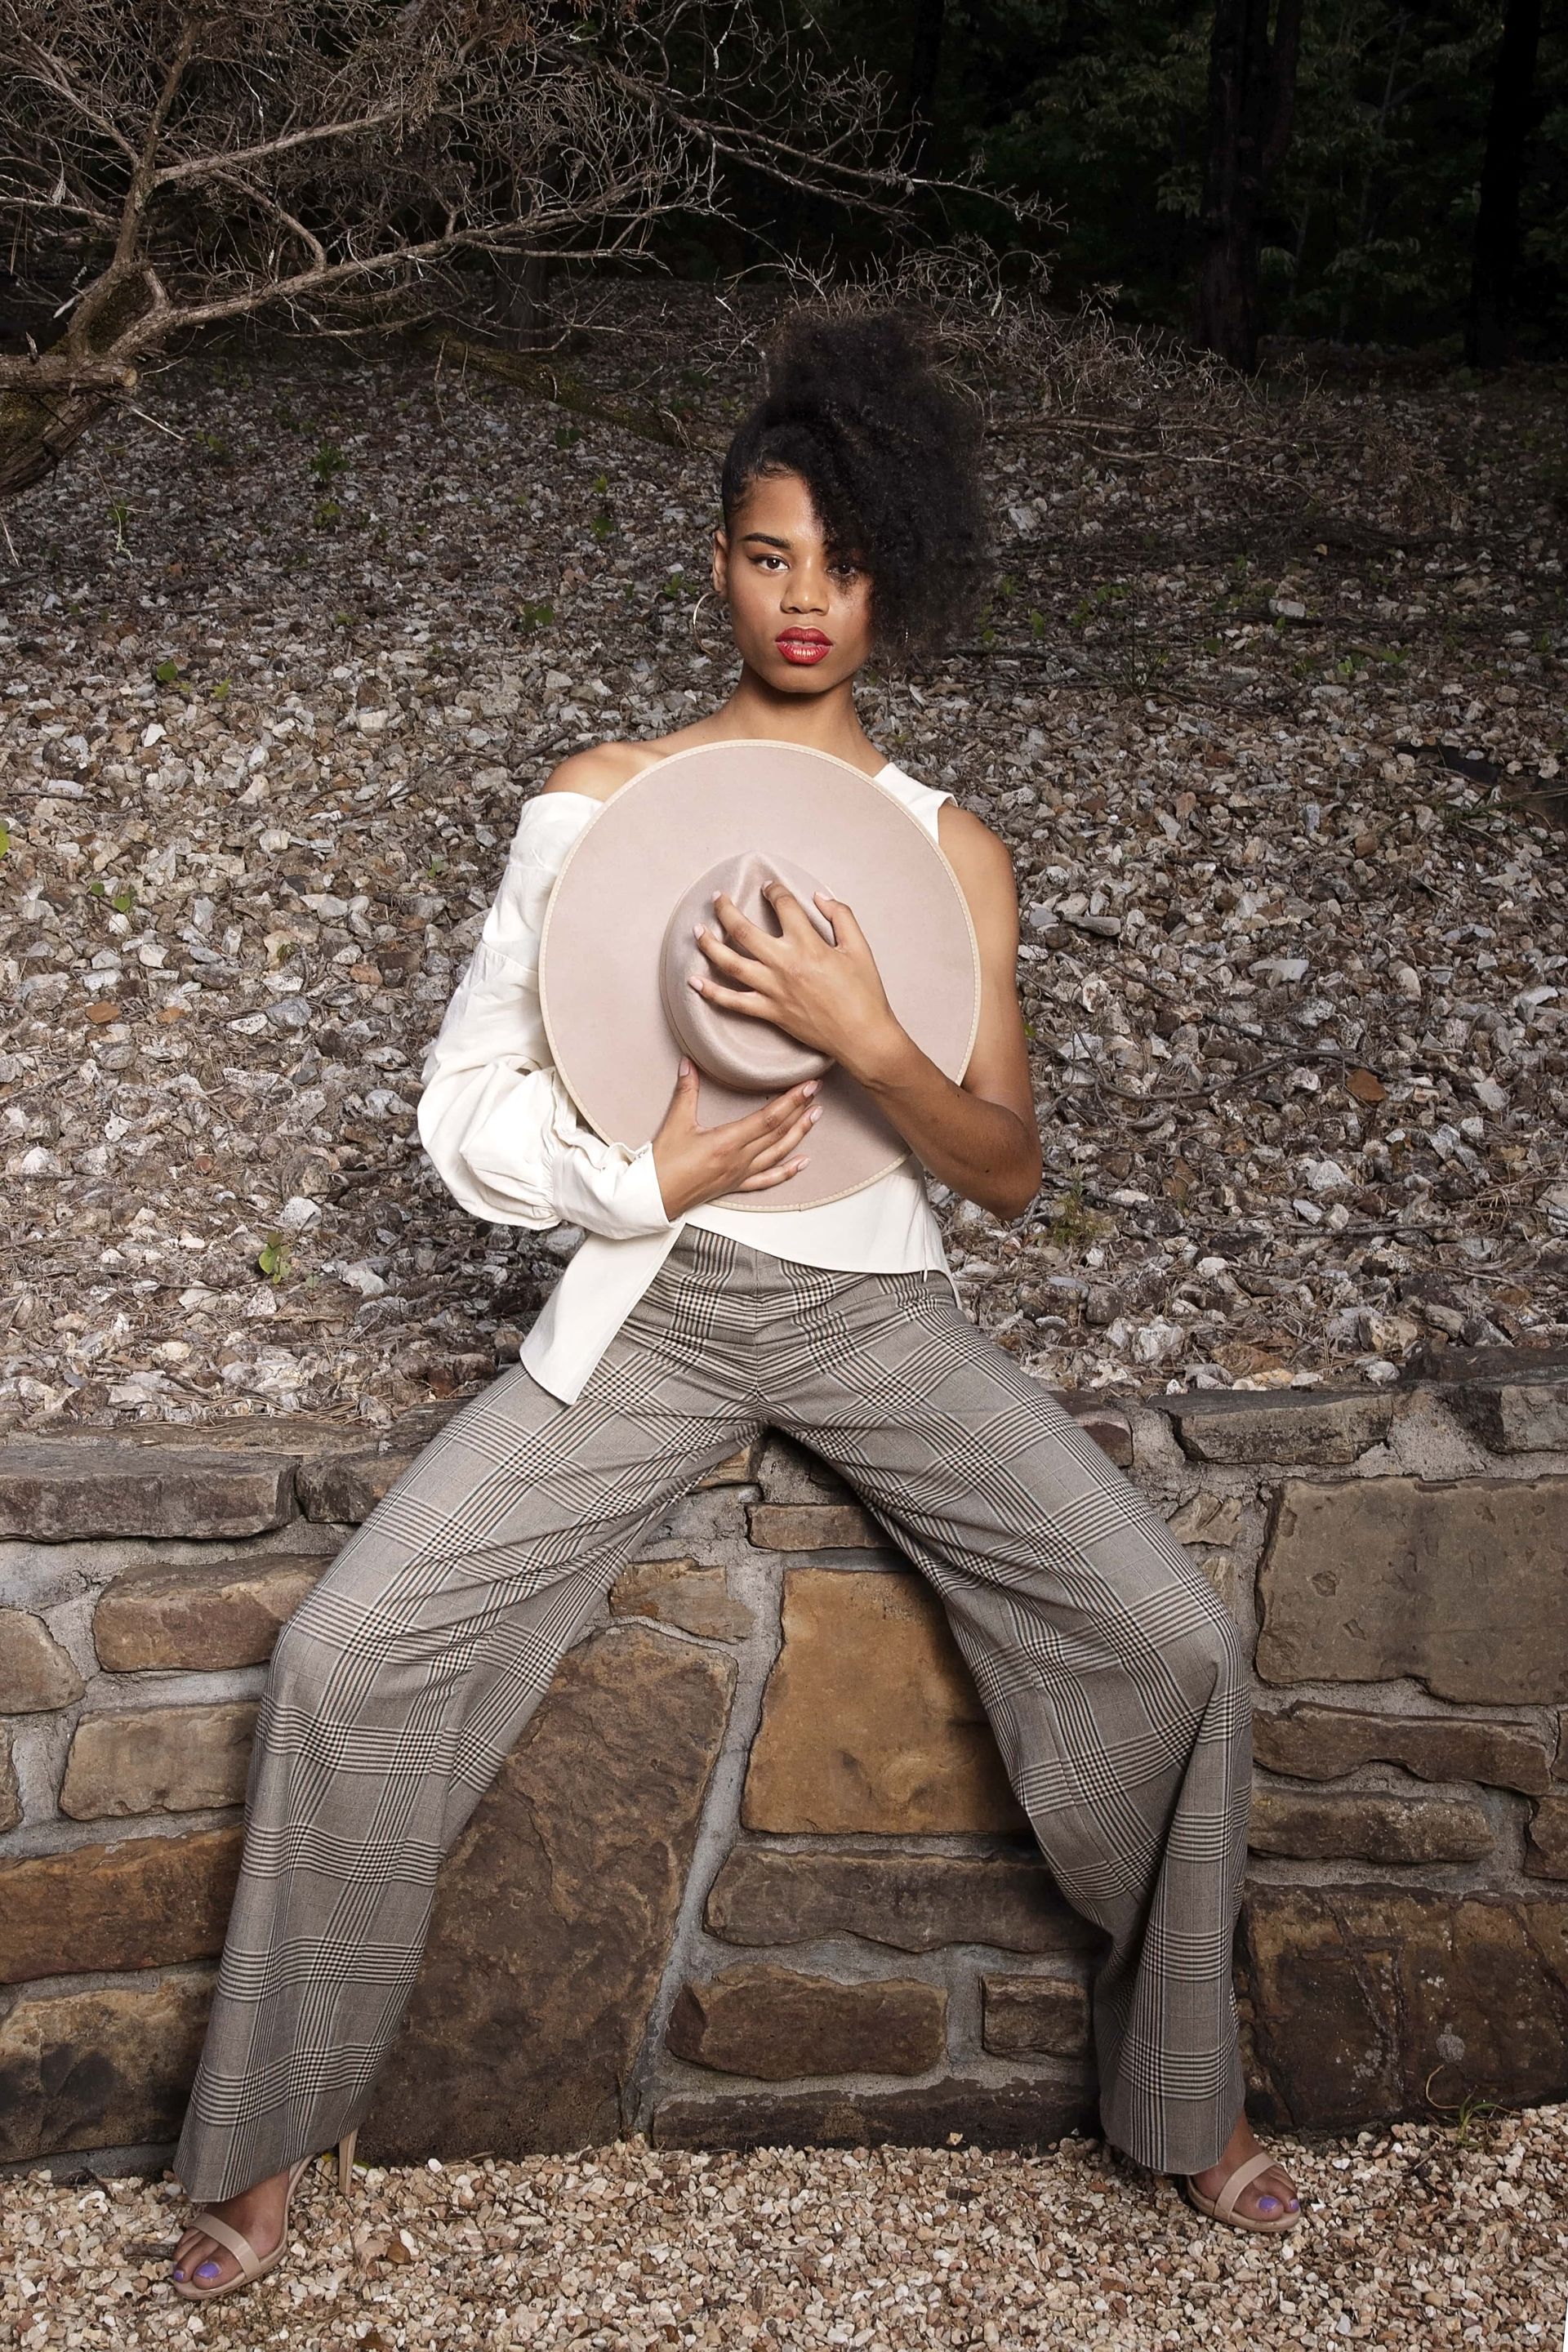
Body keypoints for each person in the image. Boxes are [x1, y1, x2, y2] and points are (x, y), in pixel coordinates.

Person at [166, 308, 1298, 2301]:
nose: (809, 600)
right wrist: (644, 1177)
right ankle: (257, 2143)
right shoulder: (600, 799)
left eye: (848, 567)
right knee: (348, 1658)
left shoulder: (953, 850)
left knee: (1175, 1634)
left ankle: (1188, 2095)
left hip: (877, 1316)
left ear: (897, 588)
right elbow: (462, 1107)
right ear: (718, 560)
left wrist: (869, 1030)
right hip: (654, 1300)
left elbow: (1007, 1166)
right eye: (774, 554)